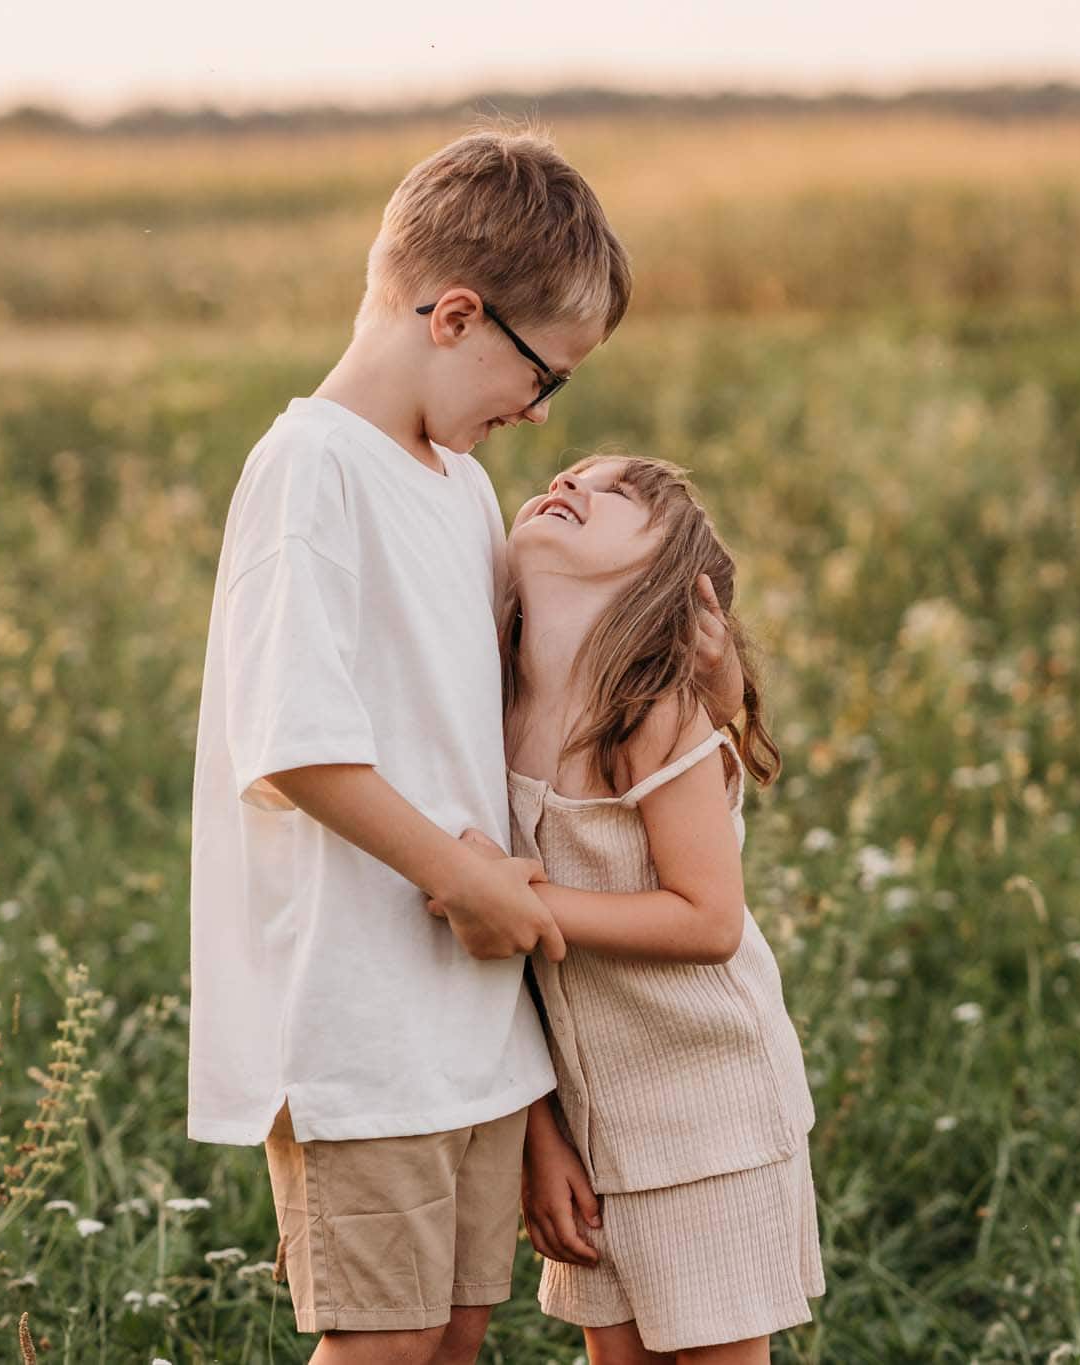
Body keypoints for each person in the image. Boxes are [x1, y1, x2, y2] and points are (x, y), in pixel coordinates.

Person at [186, 128, 740, 1365]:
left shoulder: (458, 487)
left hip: (473, 1022)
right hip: (358, 1016)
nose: (539, 411)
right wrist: (469, 877)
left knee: (451, 1335)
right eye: (543, 375)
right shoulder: (311, 469)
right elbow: (294, 747)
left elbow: (495, 729)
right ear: (453, 316)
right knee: (380, 1344)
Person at [433, 454, 821, 1364]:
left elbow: (707, 918)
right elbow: (511, 976)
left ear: (665, 578)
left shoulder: (648, 712)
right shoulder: (492, 709)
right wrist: (541, 1138)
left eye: (620, 495)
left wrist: (520, 897)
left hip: (712, 1120)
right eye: (573, 472)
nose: (574, 484)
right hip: (591, 1131)